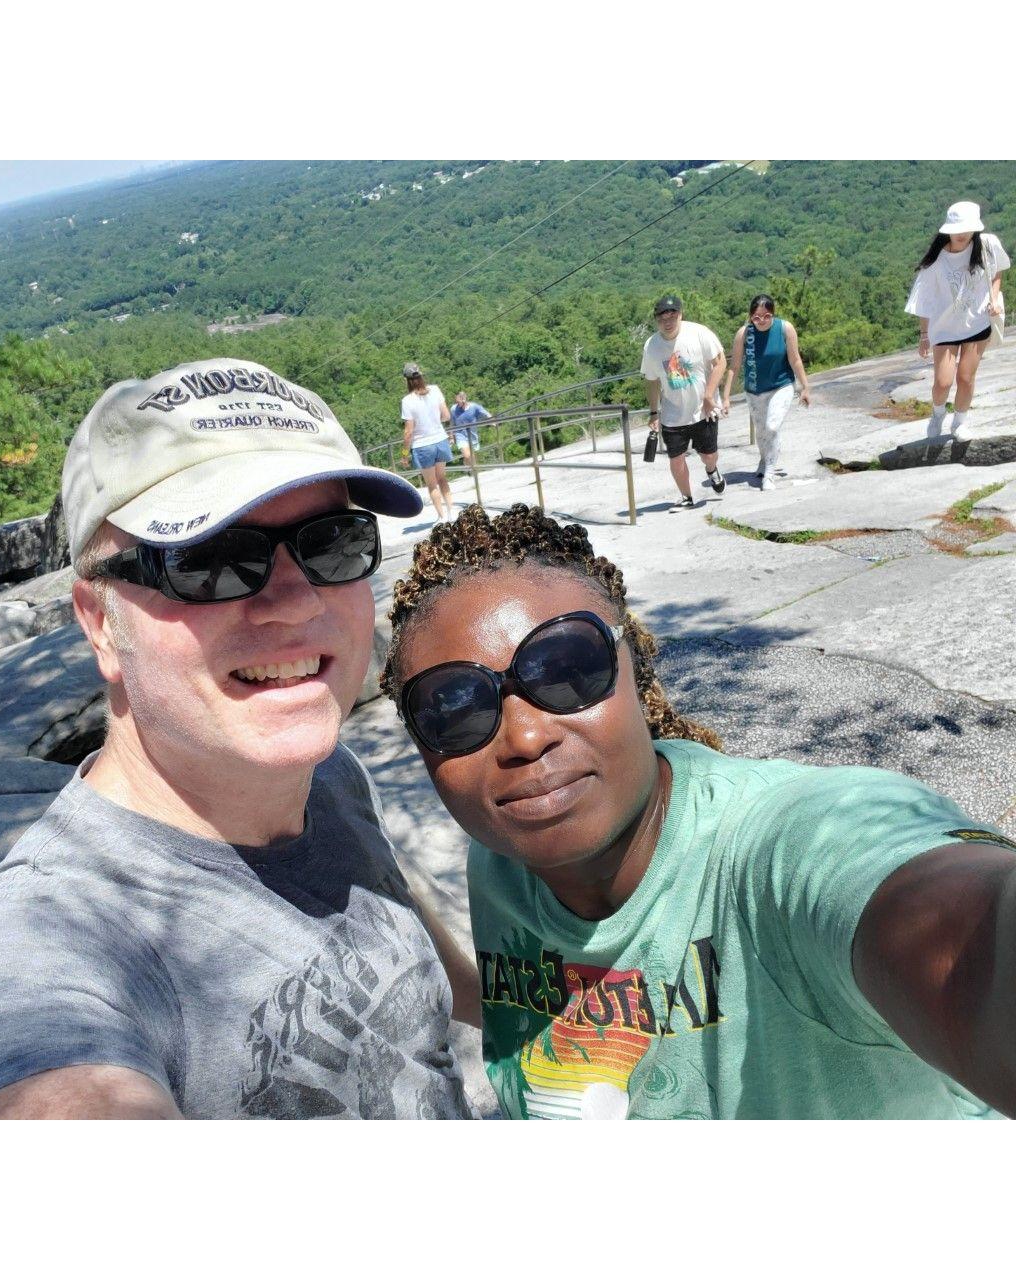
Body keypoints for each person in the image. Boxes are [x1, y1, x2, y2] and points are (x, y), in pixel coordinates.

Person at [0, 357, 481, 1120]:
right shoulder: (32, 948)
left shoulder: (327, 775)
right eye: (208, 560)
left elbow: (422, 966)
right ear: (101, 621)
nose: (294, 600)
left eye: (334, 542)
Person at [380, 502, 1016, 1120]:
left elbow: (952, 929)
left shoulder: (781, 849)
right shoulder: (501, 857)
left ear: (638, 670)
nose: (523, 738)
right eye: (454, 708)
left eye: (567, 669)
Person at [905, 201, 1009, 442]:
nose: (961, 234)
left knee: (965, 377)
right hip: (944, 328)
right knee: (942, 383)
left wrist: (993, 299)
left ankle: (959, 422)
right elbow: (925, 300)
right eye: (957, 229)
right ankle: (938, 414)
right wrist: (924, 335)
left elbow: (997, 272)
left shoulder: (987, 245)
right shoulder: (935, 261)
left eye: (967, 228)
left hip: (977, 323)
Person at [640, 295, 727, 511]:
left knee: (708, 455)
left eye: (673, 315)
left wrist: (709, 396)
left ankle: (712, 469)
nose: (668, 321)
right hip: (672, 413)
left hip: (702, 410)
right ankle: (686, 496)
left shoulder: (698, 333)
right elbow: (651, 381)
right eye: (662, 317)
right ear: (656, 320)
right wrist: (654, 413)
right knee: (676, 458)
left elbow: (720, 362)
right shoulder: (652, 346)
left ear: (680, 314)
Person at [721, 295, 811, 491]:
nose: (762, 321)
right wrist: (726, 397)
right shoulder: (744, 334)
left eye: (767, 316)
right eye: (756, 317)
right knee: (762, 432)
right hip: (754, 390)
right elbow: (734, 367)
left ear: (773, 314)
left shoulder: (785, 328)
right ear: (750, 317)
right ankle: (764, 460)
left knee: (772, 426)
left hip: (782, 385)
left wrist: (805, 386)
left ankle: (769, 472)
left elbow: (795, 359)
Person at [400, 362, 455, 522]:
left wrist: (404, 454)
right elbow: (446, 416)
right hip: (440, 440)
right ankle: (452, 512)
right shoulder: (436, 390)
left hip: (422, 446)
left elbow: (408, 432)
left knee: (432, 484)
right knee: (442, 478)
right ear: (421, 376)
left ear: (407, 380)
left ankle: (442, 517)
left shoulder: (407, 401)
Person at [449, 391, 490, 466]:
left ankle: (470, 468)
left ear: (464, 399)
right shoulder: (453, 409)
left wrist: (492, 421)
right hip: (460, 434)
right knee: (467, 455)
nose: (458, 403)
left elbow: (486, 413)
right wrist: (451, 437)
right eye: (457, 401)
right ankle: (474, 471)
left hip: (472, 434)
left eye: (459, 401)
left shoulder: (474, 406)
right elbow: (452, 423)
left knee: (473, 455)